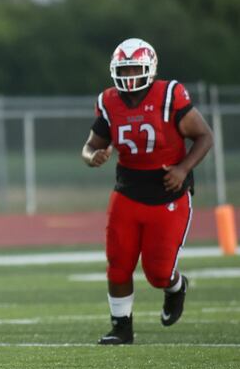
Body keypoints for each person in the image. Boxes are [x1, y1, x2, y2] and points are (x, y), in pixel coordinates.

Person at [81, 38, 213, 345]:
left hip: (168, 190)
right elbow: (90, 146)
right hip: (127, 190)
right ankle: (121, 327)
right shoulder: (108, 101)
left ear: (149, 69)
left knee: (158, 273)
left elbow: (204, 136)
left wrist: (183, 169)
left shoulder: (169, 95)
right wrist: (93, 157)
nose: (128, 76)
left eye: (134, 68)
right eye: (123, 69)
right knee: (118, 263)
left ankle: (175, 287)